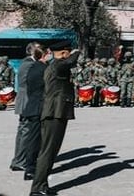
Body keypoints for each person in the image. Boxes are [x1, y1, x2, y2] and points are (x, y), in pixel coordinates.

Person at [30, 41, 80, 196]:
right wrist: (77, 51)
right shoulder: (58, 65)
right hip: (54, 113)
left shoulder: (55, 65)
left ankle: (41, 185)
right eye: (68, 52)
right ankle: (38, 188)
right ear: (64, 53)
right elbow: (71, 61)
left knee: (50, 151)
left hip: (55, 112)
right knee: (48, 151)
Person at [10, 42, 47, 180]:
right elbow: (27, 84)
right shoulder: (29, 64)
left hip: (27, 100)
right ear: (33, 52)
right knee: (26, 132)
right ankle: (20, 161)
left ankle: (19, 160)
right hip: (27, 100)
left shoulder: (28, 63)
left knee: (24, 131)